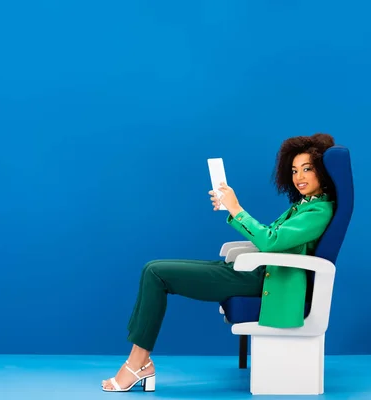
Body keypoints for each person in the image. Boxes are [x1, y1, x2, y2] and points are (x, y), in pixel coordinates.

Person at [101, 133, 337, 392]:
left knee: (156, 273)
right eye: (294, 171)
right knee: (152, 268)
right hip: (256, 271)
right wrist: (232, 210)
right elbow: (270, 239)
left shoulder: (319, 211)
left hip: (264, 280)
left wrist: (237, 209)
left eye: (307, 169)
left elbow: (270, 241)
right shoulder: (304, 206)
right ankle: (139, 362)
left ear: (323, 171)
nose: (299, 177)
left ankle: (138, 363)